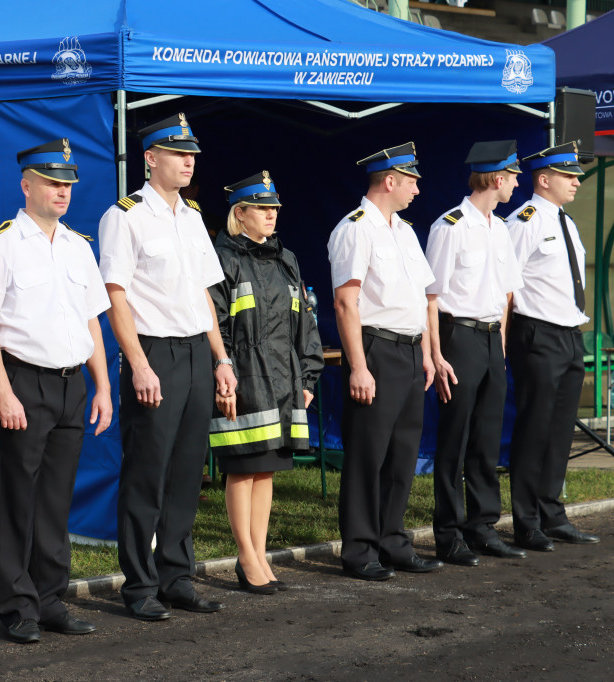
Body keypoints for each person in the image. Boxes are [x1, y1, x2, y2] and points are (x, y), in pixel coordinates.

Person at [0, 139, 113, 644]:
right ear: (25, 184)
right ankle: (15, 606)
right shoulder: (1, 244)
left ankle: (51, 599)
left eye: (69, 184)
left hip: (72, 382)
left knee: (55, 500)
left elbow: (94, 321)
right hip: (24, 381)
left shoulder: (78, 246)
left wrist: (102, 386)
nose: (63, 191)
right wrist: (2, 391)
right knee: (17, 499)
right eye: (53, 182)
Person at [99, 113, 237, 621]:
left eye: (192, 153)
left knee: (185, 473)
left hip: (196, 351)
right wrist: (137, 363)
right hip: (153, 351)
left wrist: (221, 357)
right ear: (150, 158)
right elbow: (115, 294)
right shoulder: (125, 215)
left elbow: (203, 293)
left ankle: (176, 576)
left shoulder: (193, 216)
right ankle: (138, 585)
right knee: (146, 473)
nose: (188, 160)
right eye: (178, 153)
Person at [327, 142, 442, 582]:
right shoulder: (356, 229)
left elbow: (422, 298)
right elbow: (345, 302)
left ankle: (394, 541)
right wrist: (358, 366)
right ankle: (359, 550)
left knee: (402, 455)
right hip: (376, 349)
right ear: (389, 180)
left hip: (411, 350)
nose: (417, 187)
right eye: (411, 179)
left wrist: (429, 353)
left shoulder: (405, 231)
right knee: (367, 457)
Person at [209, 171, 324, 594]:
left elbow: (304, 321)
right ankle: (246, 557)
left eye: (274, 207)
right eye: (262, 207)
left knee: (267, 471)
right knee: (243, 468)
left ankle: (259, 555)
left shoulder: (285, 257)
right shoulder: (223, 258)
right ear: (240, 213)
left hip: (283, 378)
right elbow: (215, 324)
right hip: (243, 377)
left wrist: (308, 375)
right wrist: (223, 375)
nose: (272, 215)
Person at [424, 141, 527, 567]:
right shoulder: (449, 227)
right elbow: (430, 296)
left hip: (490, 338)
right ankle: (448, 533)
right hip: (459, 335)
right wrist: (437, 350)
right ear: (497, 178)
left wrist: (500, 340)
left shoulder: (499, 228)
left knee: (486, 438)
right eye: (514, 175)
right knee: (455, 439)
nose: (518, 181)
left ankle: (482, 526)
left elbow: (506, 292)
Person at [506, 141, 600, 551]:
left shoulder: (568, 223)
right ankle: (526, 521)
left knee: (561, 431)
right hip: (538, 333)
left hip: (569, 334)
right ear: (544, 179)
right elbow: (506, 284)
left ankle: (552, 513)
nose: (577, 180)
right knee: (534, 428)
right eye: (568, 175)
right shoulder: (524, 221)